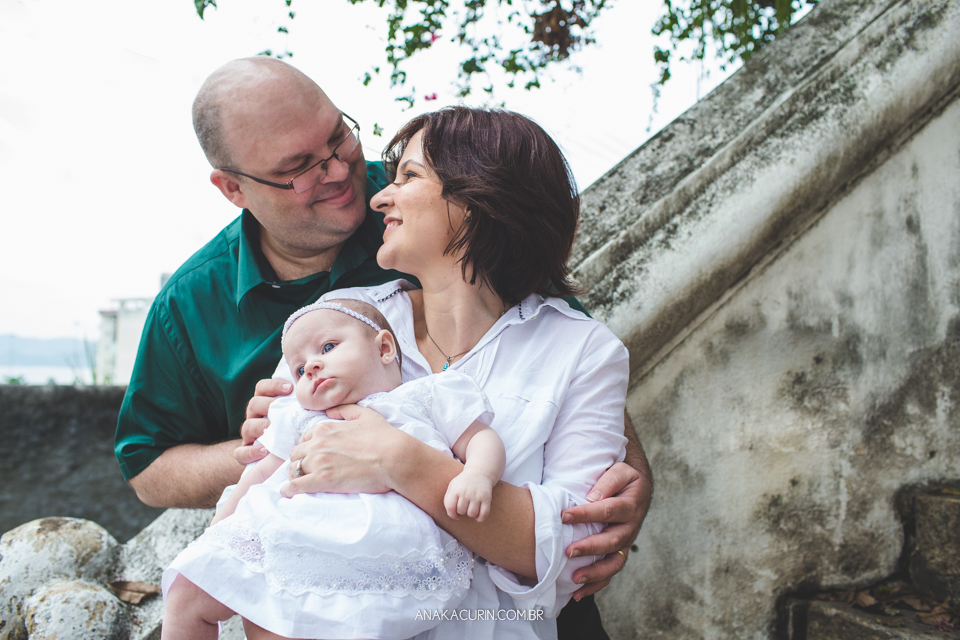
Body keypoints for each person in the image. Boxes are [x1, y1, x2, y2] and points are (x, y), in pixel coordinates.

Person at [114, 56, 652, 636]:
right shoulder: (231, 308)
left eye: (339, 136)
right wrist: (286, 440)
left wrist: (627, 474)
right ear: (234, 187)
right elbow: (158, 467)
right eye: (299, 167)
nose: (351, 179)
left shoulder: (448, 219)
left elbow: (561, 367)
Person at [265, 106, 630, 638]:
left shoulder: (583, 350)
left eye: (409, 176)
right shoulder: (338, 320)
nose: (379, 198)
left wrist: (400, 461)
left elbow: (573, 557)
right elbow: (274, 490)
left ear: (480, 198)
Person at [162, 299, 507, 639]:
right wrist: (220, 529)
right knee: (186, 592)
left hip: (381, 546)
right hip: (291, 538)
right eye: (299, 369)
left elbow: (481, 439)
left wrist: (478, 474)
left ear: (384, 348)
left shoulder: (424, 397)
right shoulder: (299, 417)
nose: (311, 366)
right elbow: (259, 473)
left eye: (327, 347)